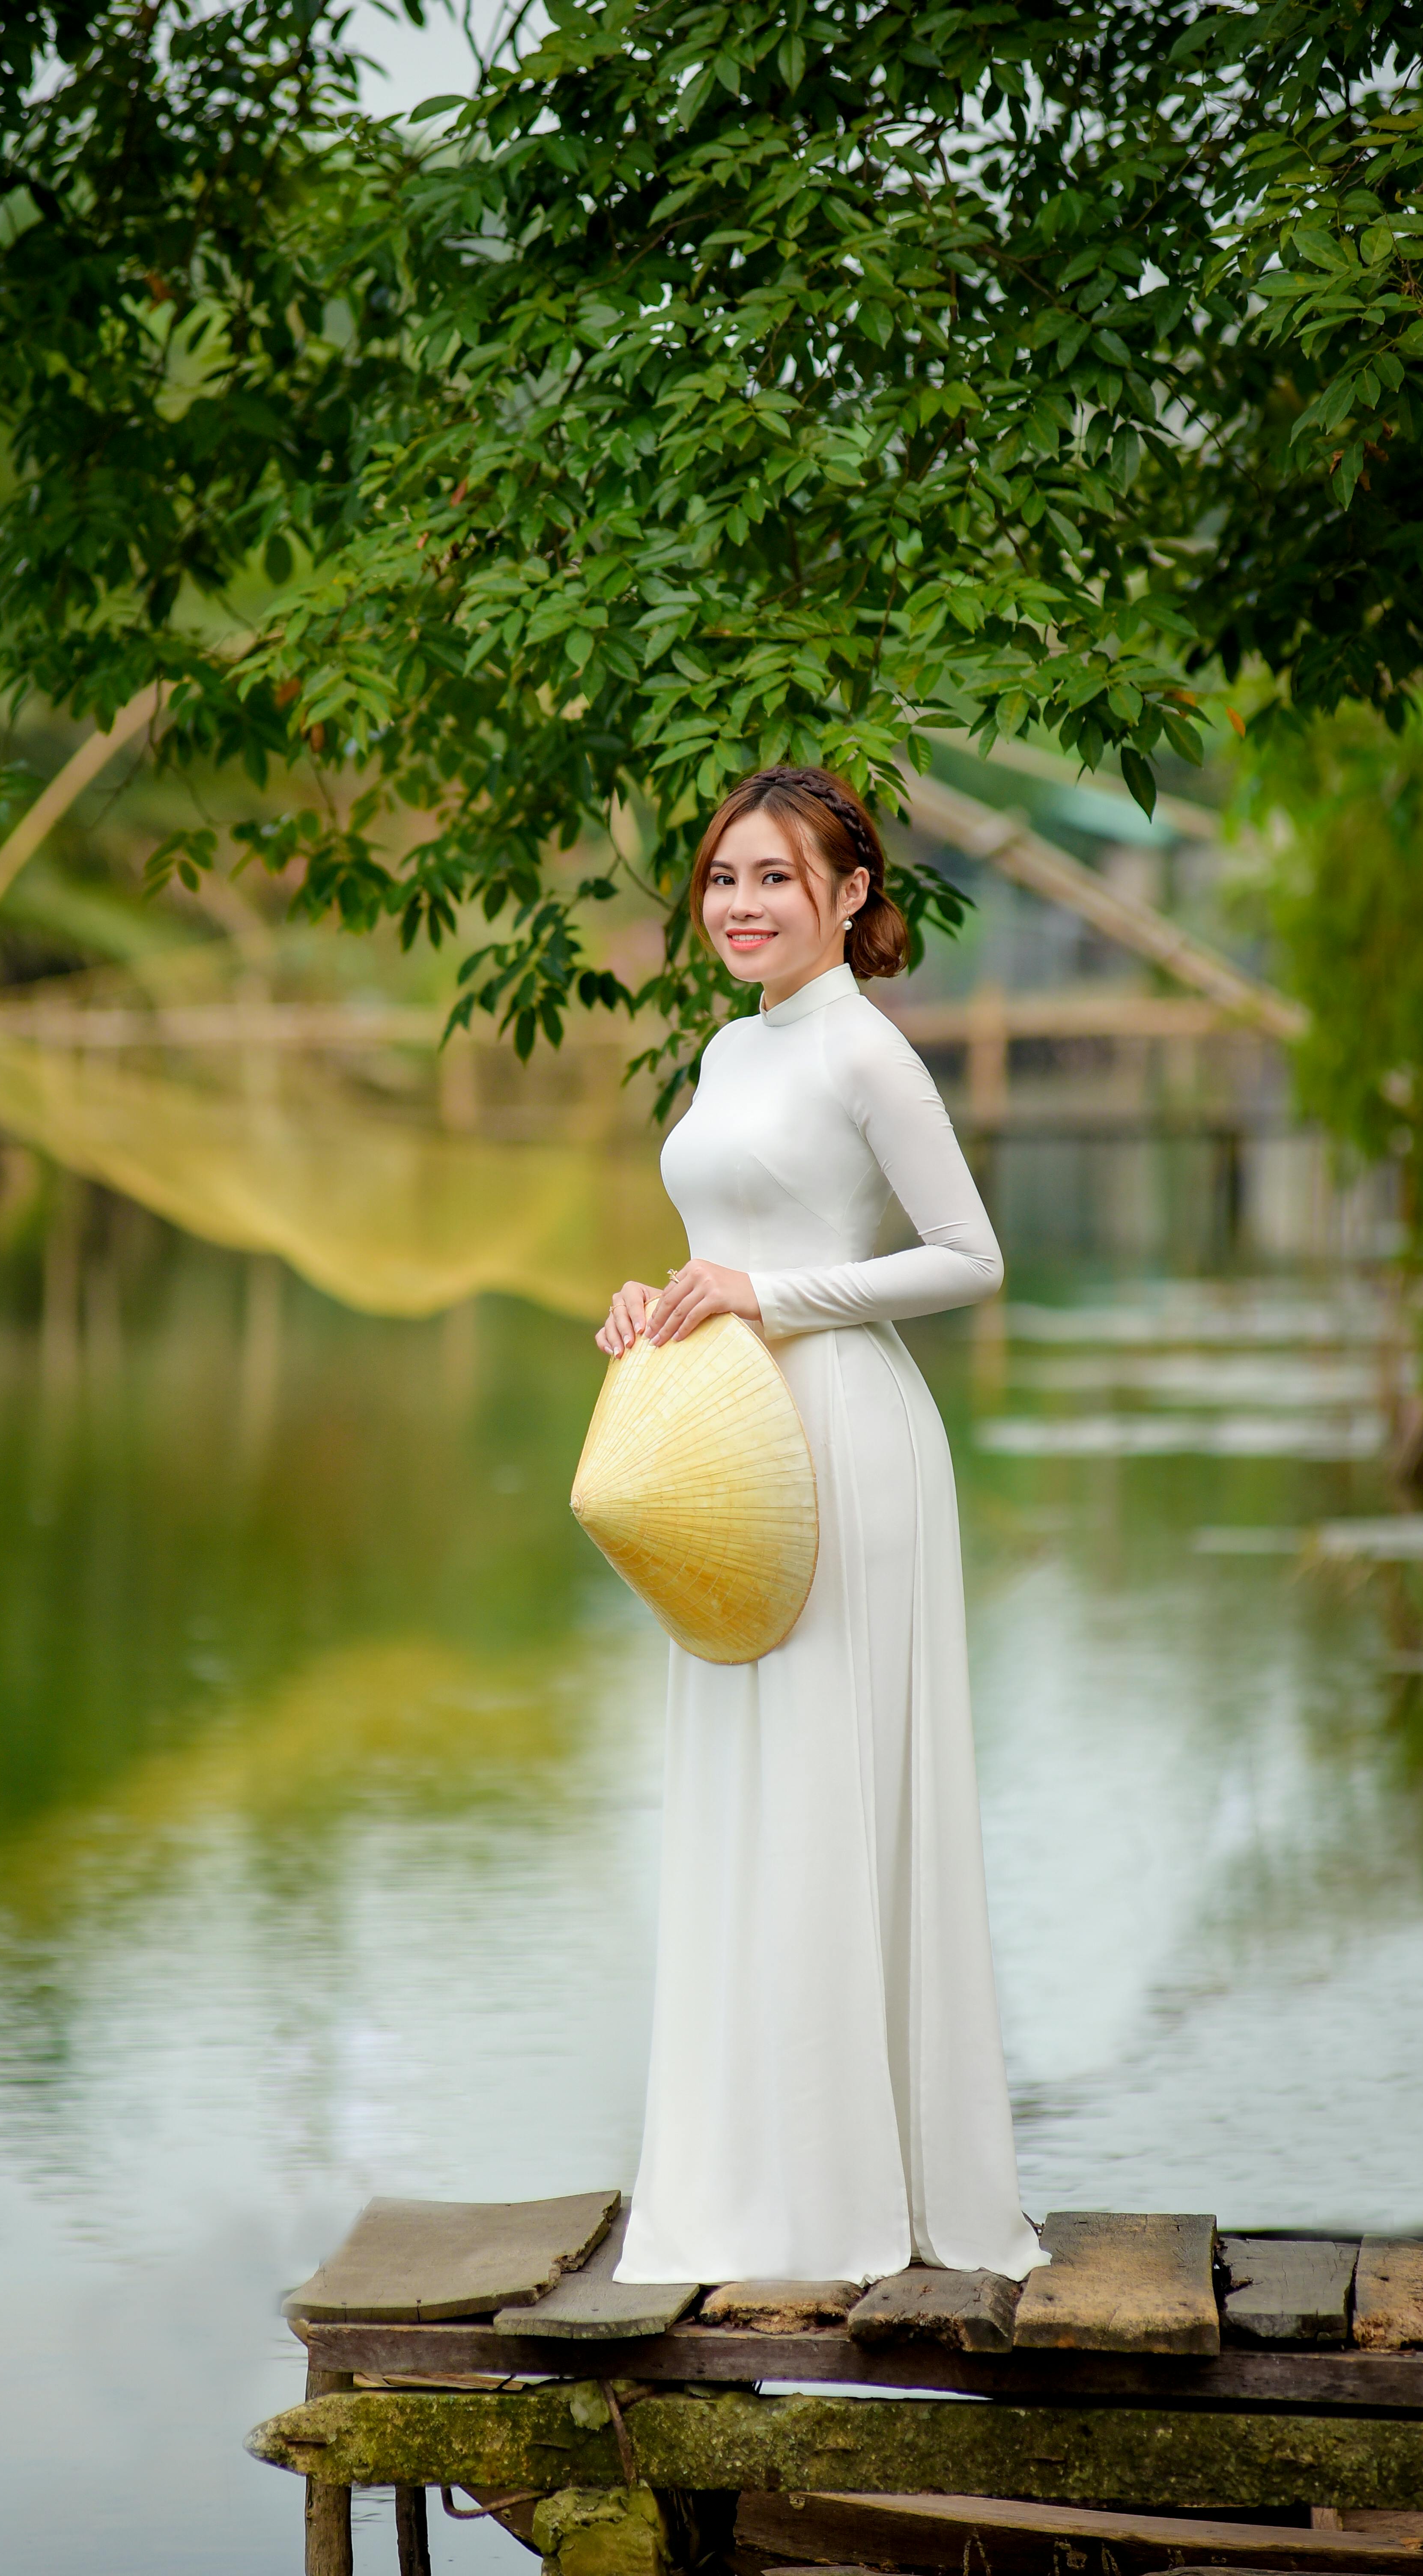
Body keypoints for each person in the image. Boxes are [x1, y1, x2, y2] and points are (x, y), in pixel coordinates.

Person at [599, 765, 1043, 2288]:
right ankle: (745, 2184)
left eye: (774, 879)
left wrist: (773, 1297)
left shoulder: (868, 1053)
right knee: (747, 1796)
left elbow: (968, 1257)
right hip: (727, 1446)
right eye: (723, 878)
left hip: (846, 1441)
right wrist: (661, 1296)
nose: (738, 907)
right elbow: (721, 1244)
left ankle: (860, 2198)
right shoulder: (727, 1050)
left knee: (829, 1790)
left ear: (851, 897)